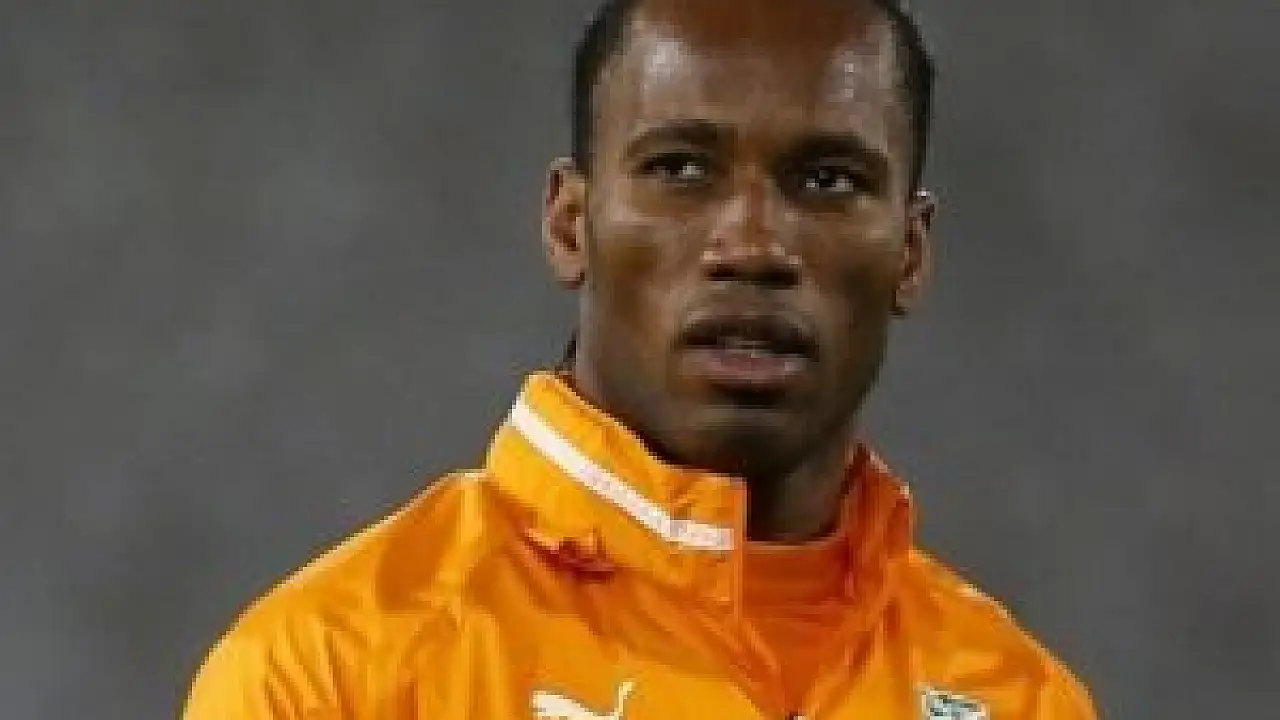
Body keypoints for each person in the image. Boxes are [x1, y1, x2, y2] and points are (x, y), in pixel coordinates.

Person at [183, 0, 1098, 717]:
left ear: (911, 251)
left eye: (828, 180)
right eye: (681, 169)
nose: (754, 245)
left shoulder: (1019, 698)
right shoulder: (335, 675)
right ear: (569, 223)